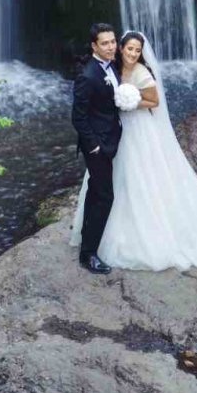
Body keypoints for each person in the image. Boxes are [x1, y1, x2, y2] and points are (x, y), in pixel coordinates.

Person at [70, 30, 197, 272]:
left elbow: (154, 101)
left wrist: (132, 102)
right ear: (116, 48)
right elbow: (85, 110)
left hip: (134, 129)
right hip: (109, 137)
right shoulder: (107, 68)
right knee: (104, 188)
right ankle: (91, 246)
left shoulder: (141, 72)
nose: (132, 53)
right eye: (128, 48)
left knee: (134, 178)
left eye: (137, 50)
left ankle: (117, 238)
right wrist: (94, 143)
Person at [71, 22, 123, 274]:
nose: (111, 46)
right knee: (105, 196)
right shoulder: (87, 75)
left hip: (110, 137)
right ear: (94, 46)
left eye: (113, 41)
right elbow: (77, 117)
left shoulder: (111, 64)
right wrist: (93, 147)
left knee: (94, 191)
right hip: (98, 146)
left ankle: (84, 234)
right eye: (105, 43)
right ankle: (88, 255)